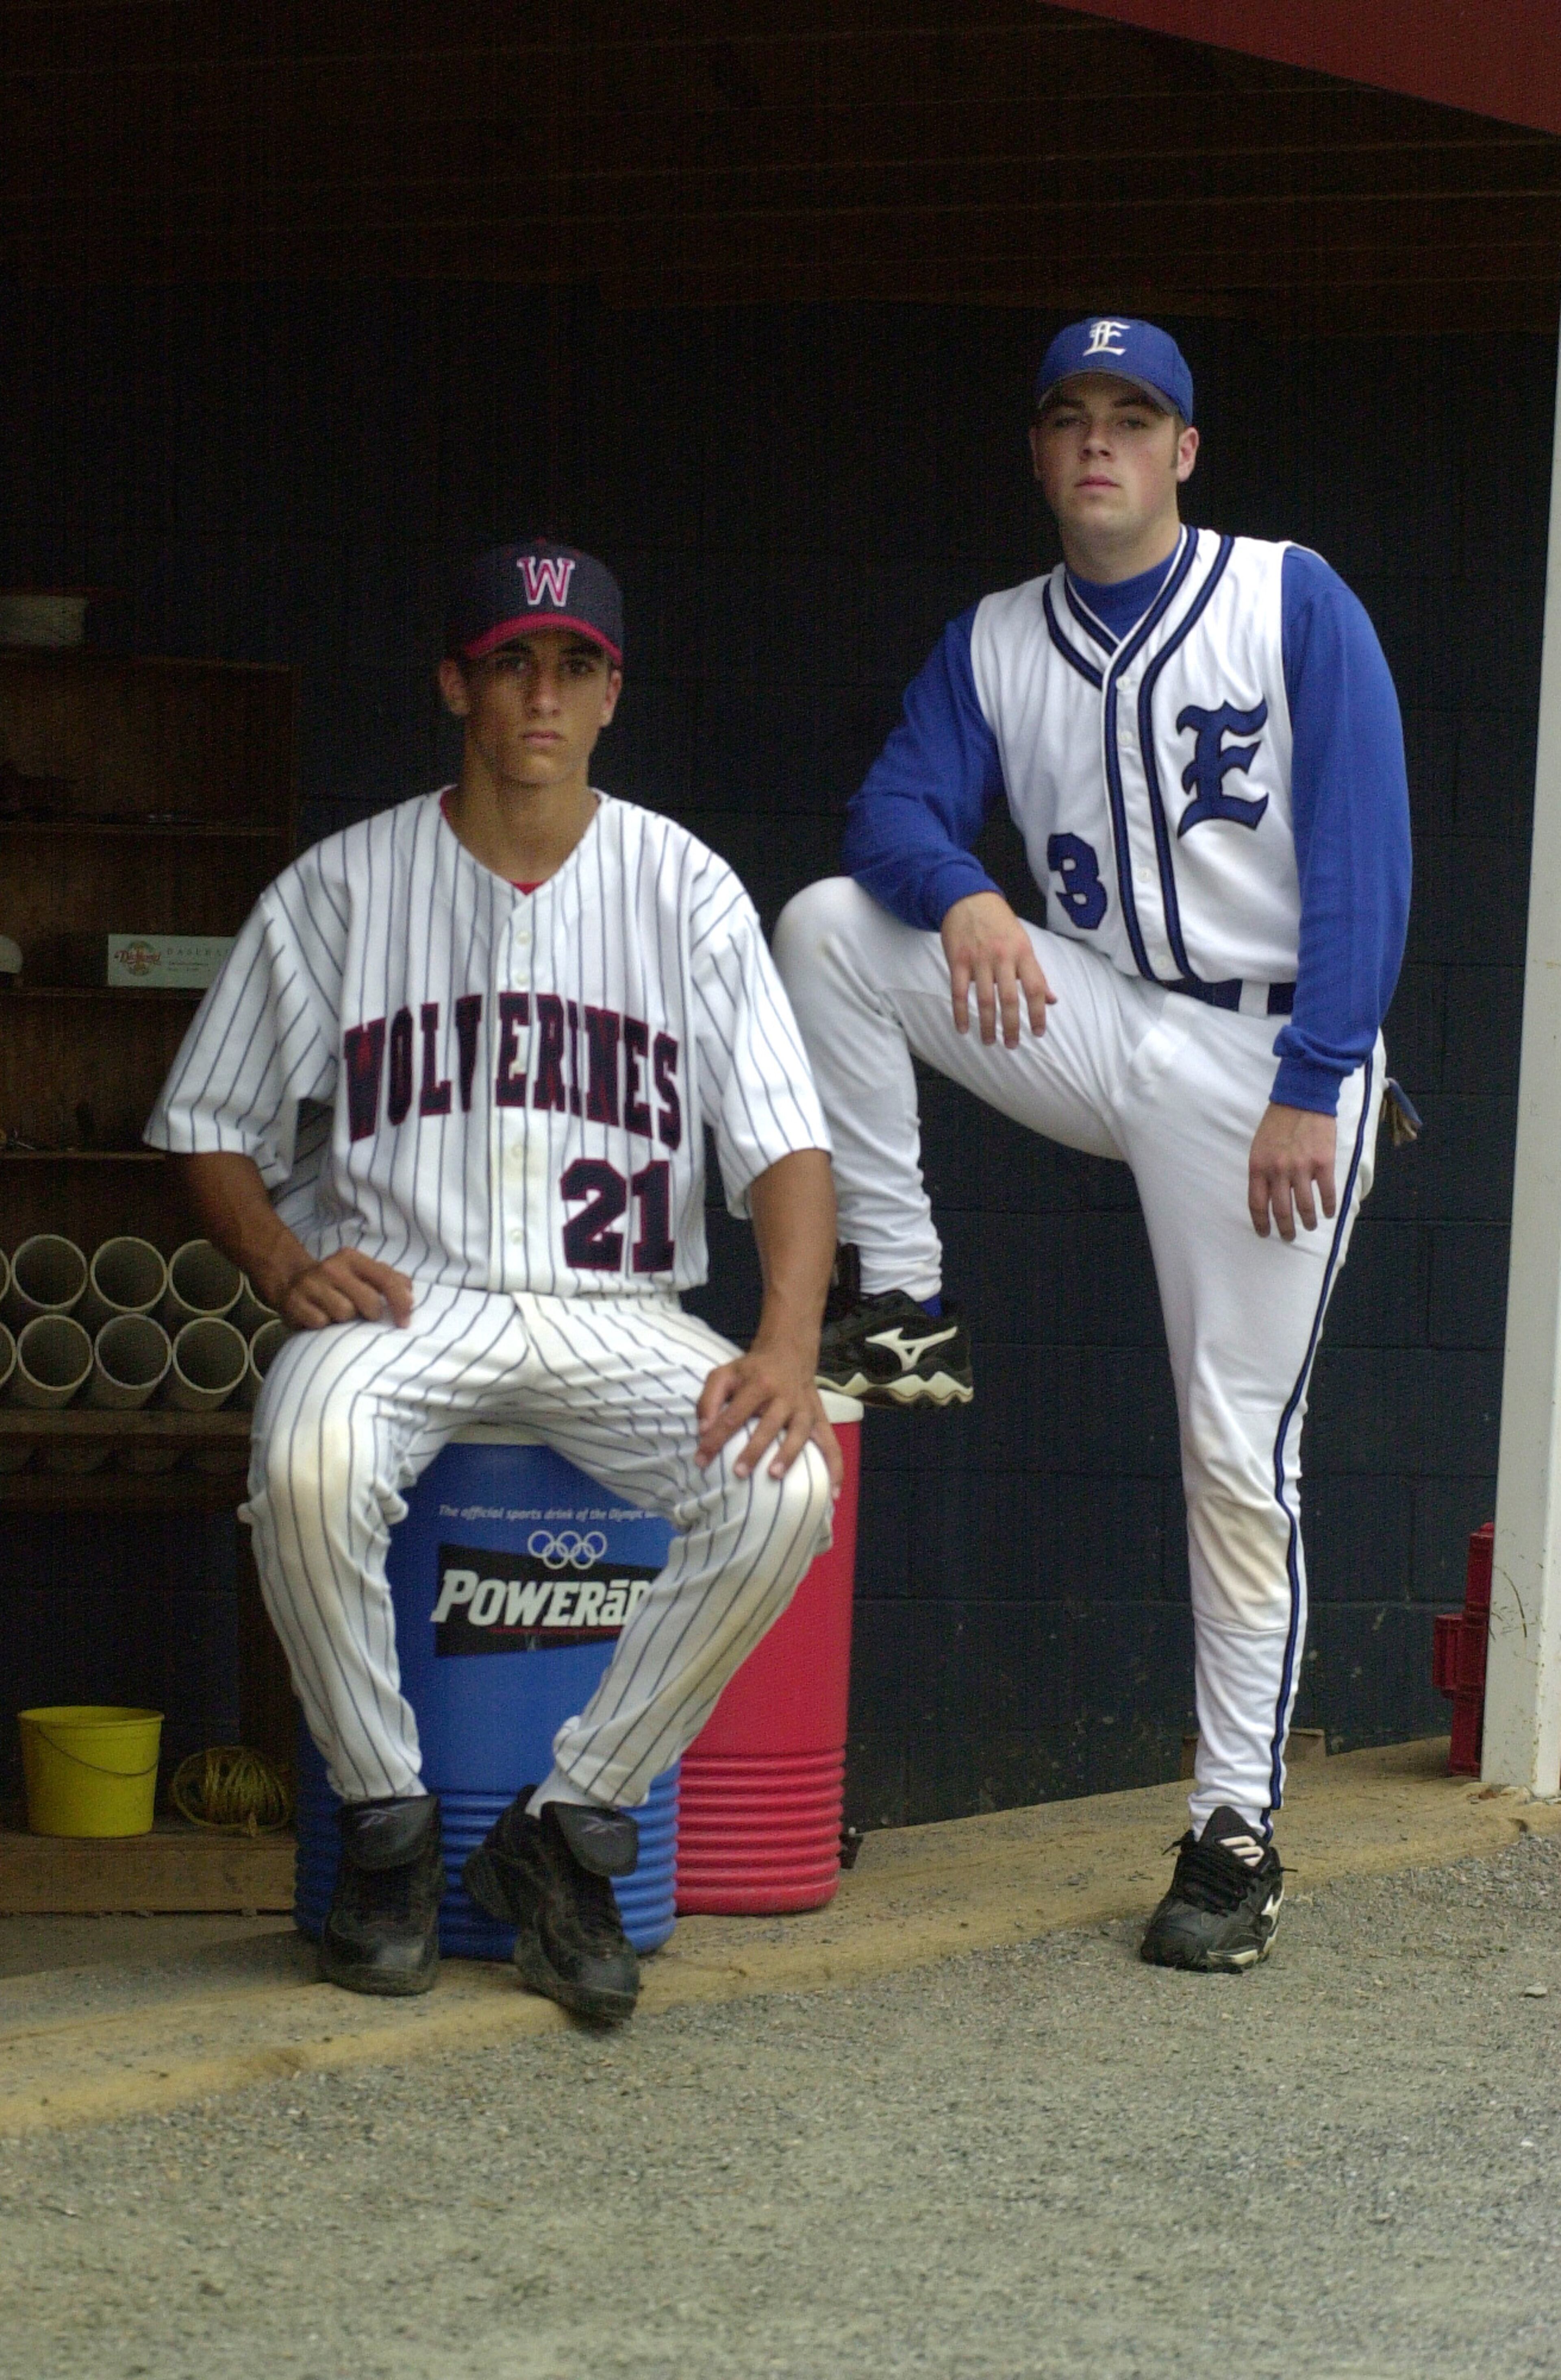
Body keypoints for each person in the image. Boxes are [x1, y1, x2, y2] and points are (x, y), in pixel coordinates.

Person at [773, 318, 1411, 1973]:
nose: (1101, 443)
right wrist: (965, 895)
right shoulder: (996, 640)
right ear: (1043, 453)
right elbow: (890, 815)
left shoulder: (1289, 599)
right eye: (1072, 418)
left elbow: (1368, 858)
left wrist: (1321, 1076)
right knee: (833, 925)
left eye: (1135, 417)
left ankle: (1234, 1830)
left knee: (1234, 1451)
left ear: (1184, 451)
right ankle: (903, 1295)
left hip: (1276, 1056)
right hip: (1105, 1016)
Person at [147, 539, 840, 2020]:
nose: (542, 693)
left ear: (613, 695)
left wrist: (787, 1343)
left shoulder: (686, 888)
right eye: (511, 661)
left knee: (785, 1488)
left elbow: (787, 1144)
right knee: (311, 1459)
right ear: (455, 684)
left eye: (575, 666)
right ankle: (387, 1827)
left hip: (620, 1309)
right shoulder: (344, 886)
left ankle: (570, 1829)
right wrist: (279, 1260)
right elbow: (207, 1121)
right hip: (411, 1297)